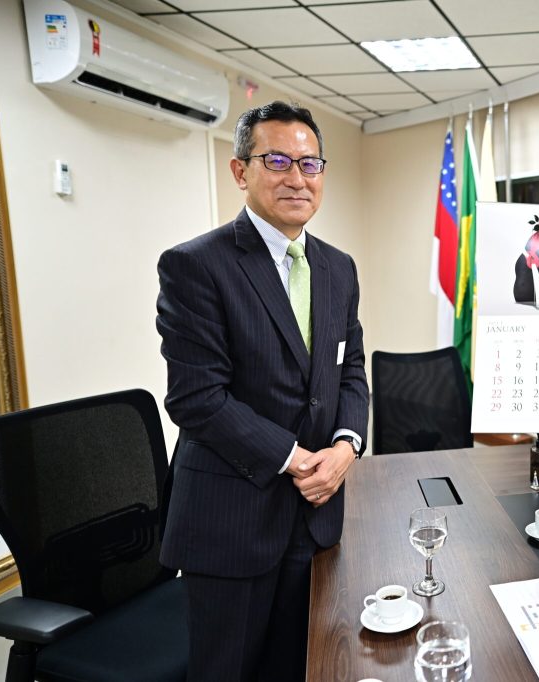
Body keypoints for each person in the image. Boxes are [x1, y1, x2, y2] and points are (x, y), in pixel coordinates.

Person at [156, 101, 369, 680]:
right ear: (240, 171)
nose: (297, 177)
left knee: (298, 666)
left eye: (310, 163)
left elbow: (350, 370)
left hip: (317, 513)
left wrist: (347, 446)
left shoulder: (339, 267)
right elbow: (196, 399)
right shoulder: (195, 265)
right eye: (277, 160)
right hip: (231, 517)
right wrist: (299, 459)